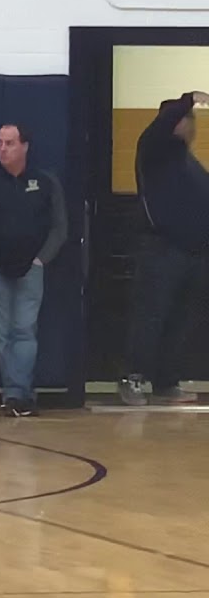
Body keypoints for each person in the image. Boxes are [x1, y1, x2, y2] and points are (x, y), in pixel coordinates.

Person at [0, 123, 66, 416]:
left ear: (25, 146)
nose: (3, 149)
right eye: (0, 143)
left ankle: (18, 394)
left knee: (25, 330)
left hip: (31, 268)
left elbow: (59, 226)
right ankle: (17, 394)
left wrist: (42, 259)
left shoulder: (44, 182)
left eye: (10, 143)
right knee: (1, 333)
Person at [117, 90, 209, 406]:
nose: (191, 126)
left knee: (180, 320)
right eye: (187, 120)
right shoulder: (153, 150)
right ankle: (133, 378)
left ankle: (166, 382)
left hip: (194, 254)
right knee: (150, 317)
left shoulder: (189, 162)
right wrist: (188, 99)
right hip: (162, 250)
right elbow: (161, 125)